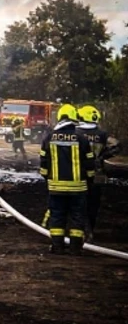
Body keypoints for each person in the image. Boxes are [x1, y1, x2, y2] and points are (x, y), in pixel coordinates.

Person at [39, 104, 95, 255]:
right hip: (78, 188)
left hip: (56, 187)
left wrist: (47, 178)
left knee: (57, 216)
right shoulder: (82, 139)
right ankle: (76, 249)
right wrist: (90, 179)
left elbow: (43, 163)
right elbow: (90, 162)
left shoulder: (49, 137)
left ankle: (57, 247)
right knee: (77, 217)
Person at [77, 105, 121, 240]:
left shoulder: (75, 132)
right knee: (93, 203)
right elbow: (117, 145)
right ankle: (91, 230)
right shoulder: (102, 134)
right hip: (97, 174)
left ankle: (82, 230)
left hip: (78, 173)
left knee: (78, 202)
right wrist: (102, 156)